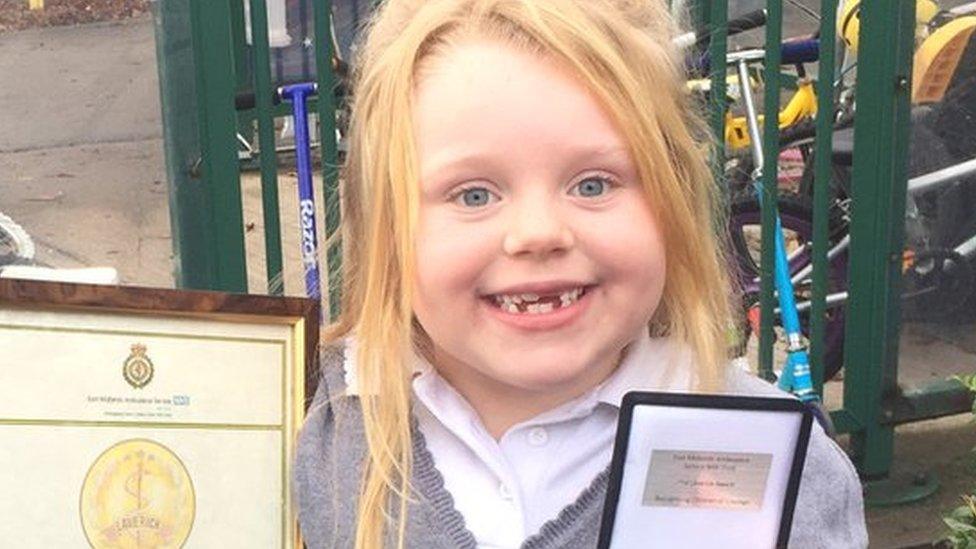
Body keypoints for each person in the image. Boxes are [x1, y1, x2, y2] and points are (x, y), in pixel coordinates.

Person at [294, 0, 868, 547]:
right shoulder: (318, 431)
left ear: (674, 197)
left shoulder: (783, 471)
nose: (539, 233)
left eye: (593, 184)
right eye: (472, 194)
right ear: (385, 226)